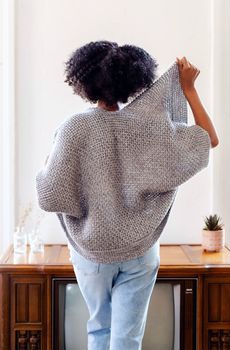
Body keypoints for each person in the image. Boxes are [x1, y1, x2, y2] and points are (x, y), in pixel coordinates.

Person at [36, 41, 219, 350]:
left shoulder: (72, 128)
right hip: (141, 249)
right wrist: (188, 88)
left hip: (91, 251)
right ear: (135, 80)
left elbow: (49, 194)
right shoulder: (149, 128)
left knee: (98, 332)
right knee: (128, 339)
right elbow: (208, 141)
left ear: (84, 80)